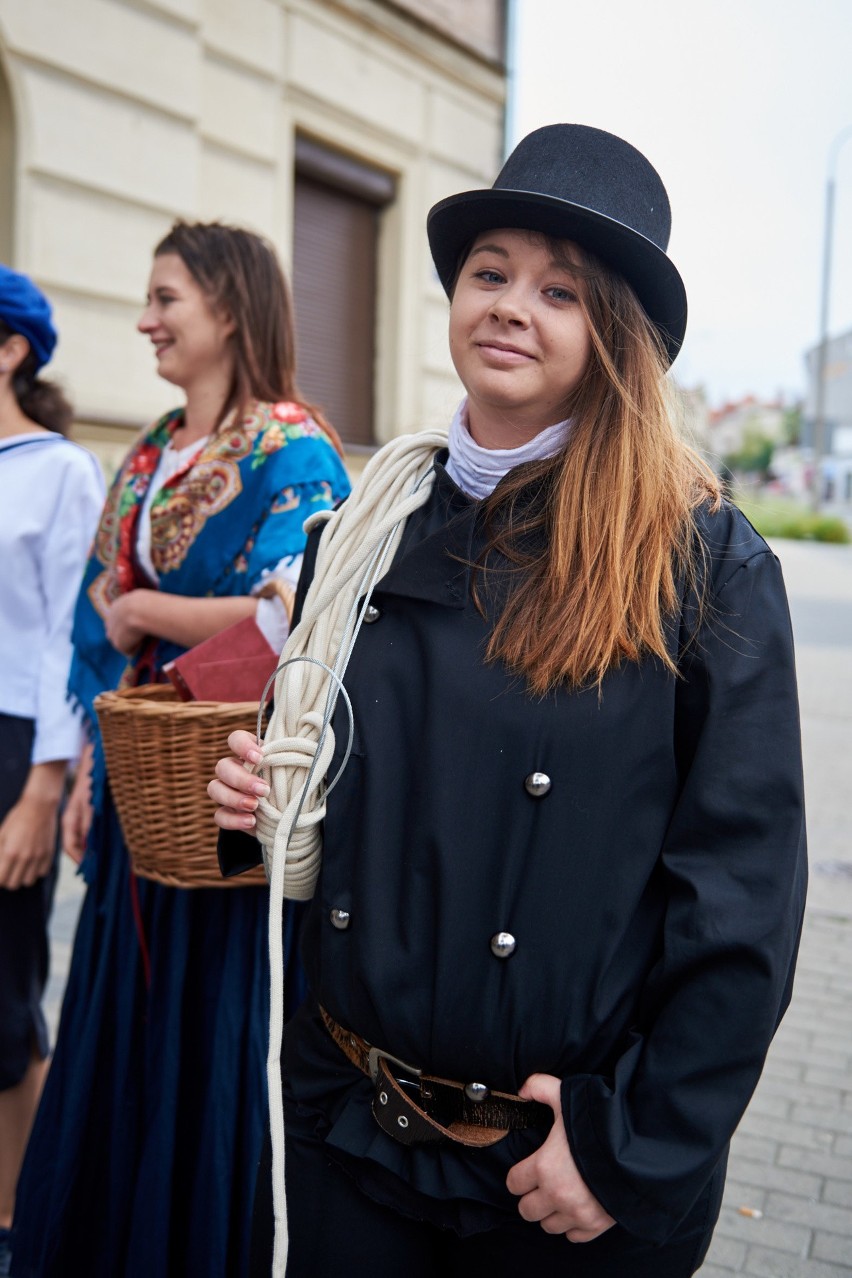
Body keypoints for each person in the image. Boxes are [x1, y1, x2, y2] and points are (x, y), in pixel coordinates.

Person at [212, 125, 808, 1278]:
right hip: (353, 1138)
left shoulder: (703, 564)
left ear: (615, 337)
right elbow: (329, 815)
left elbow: (741, 909)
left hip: (559, 1183)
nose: (510, 306)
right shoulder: (363, 534)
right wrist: (261, 814)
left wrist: (626, 1153)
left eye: (559, 291)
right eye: (489, 273)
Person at [11, 223, 351, 1278]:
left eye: (167, 299)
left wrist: (149, 607)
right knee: (108, 1025)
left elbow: (296, 615)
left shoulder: (295, 449)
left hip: (223, 801)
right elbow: (90, 614)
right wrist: (74, 773)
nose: (146, 319)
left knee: (205, 1046)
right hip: (132, 795)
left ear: (232, 311)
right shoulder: (154, 448)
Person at [0, 267, 104, 1277]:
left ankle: (17, 1225)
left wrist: (44, 786)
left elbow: (65, 642)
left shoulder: (61, 472)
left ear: (11, 349)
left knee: (1, 995)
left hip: (12, 748)